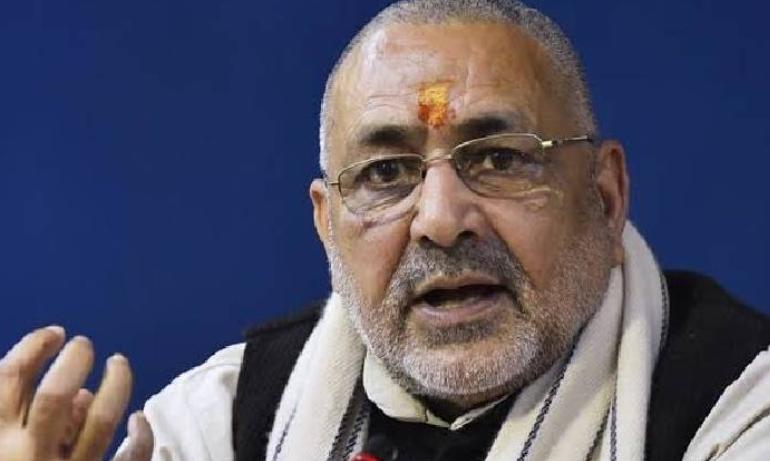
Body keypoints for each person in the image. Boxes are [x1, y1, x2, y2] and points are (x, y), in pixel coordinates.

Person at [2, 0, 770, 460]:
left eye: (498, 158)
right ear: (327, 225)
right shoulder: (226, 423)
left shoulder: (739, 407)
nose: (440, 220)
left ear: (604, 197)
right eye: (386, 173)